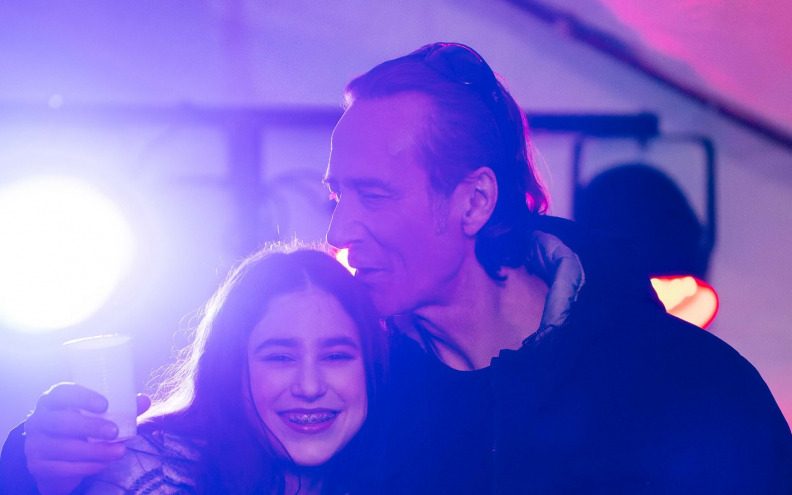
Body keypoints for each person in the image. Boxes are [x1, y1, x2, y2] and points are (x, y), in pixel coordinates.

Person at [4, 41, 792, 493]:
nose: (340, 229)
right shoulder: (354, 385)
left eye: (373, 195)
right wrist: (34, 461)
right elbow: (184, 454)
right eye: (336, 196)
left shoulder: (681, 382)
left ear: (473, 201)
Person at [2, 247, 387, 494]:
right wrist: (26, 468)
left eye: (336, 356)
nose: (309, 385)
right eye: (280, 357)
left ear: (371, 366)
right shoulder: (151, 476)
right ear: (230, 369)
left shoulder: (402, 467)